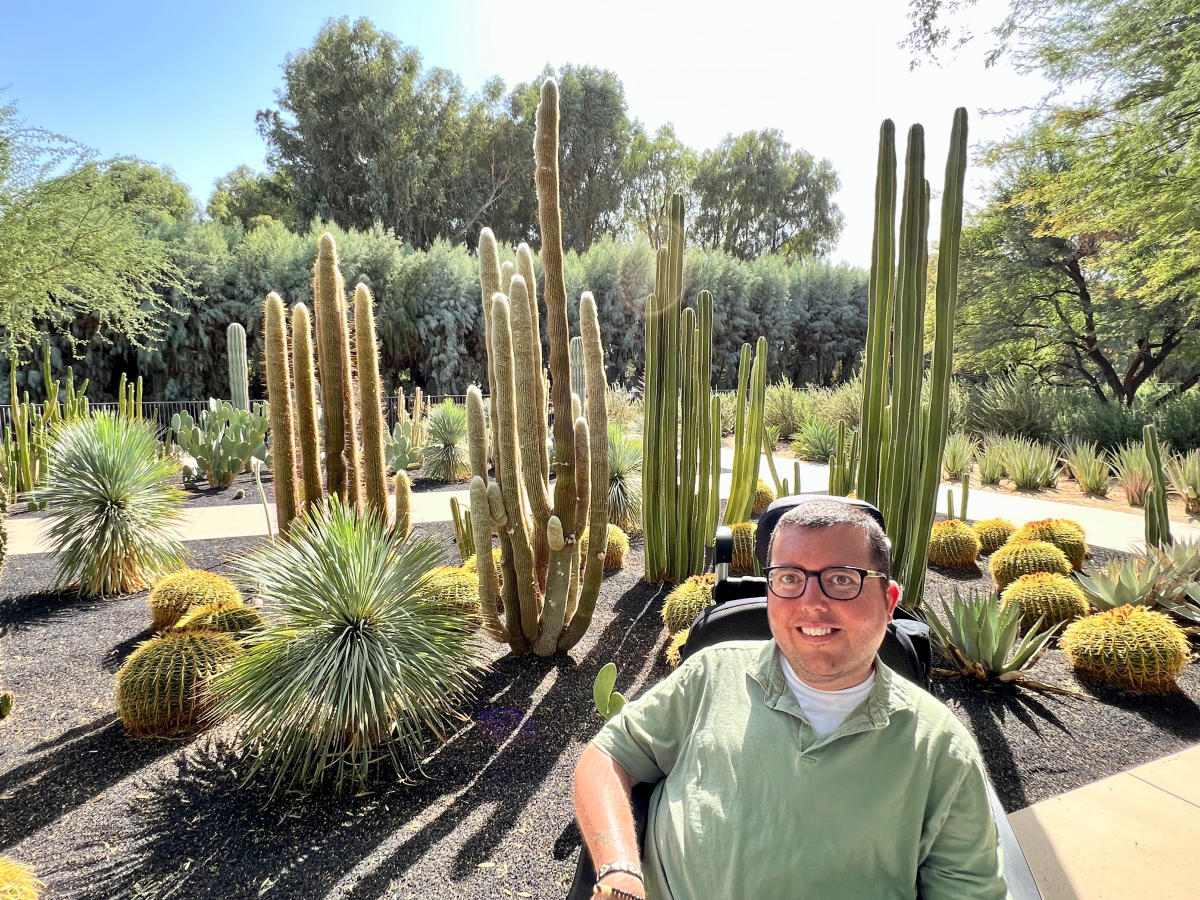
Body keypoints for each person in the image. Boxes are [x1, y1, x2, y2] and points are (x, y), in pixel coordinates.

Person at [573, 498, 1007, 899]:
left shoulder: (941, 751)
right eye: (789, 579)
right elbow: (608, 756)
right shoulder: (710, 674)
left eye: (841, 579)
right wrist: (620, 870)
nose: (811, 603)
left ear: (888, 602)